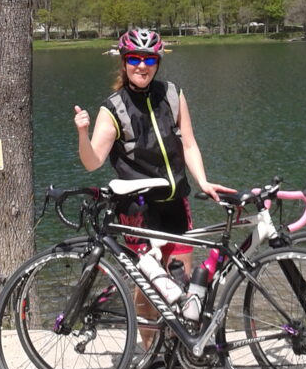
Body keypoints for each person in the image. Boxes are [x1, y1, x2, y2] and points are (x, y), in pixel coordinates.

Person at [73, 27, 235, 282]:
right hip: (139, 209)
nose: (142, 66)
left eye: (149, 59)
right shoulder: (113, 107)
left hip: (175, 202)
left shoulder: (172, 94)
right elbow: (92, 162)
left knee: (182, 281)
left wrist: (202, 181)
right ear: (124, 62)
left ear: (157, 63)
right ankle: (144, 324)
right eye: (134, 59)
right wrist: (83, 133)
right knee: (152, 291)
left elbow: (189, 144)